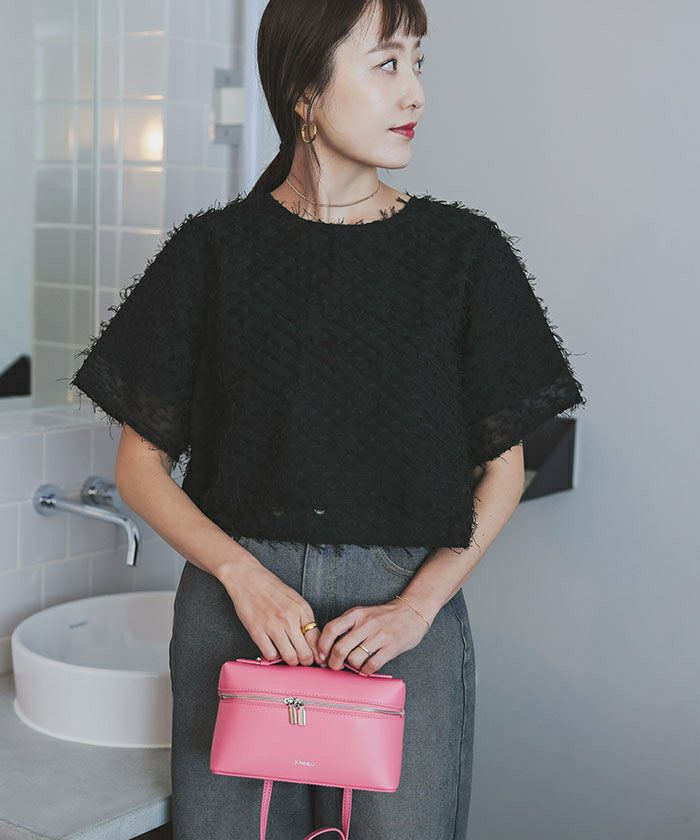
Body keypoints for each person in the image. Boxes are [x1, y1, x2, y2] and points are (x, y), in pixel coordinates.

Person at [67, 1, 586, 837]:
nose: (415, 93)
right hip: (236, 613)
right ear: (304, 92)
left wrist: (416, 609)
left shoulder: (464, 255)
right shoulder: (211, 254)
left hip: (402, 622)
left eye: (418, 64)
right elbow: (139, 468)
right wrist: (244, 579)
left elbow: (503, 468)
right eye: (388, 65)